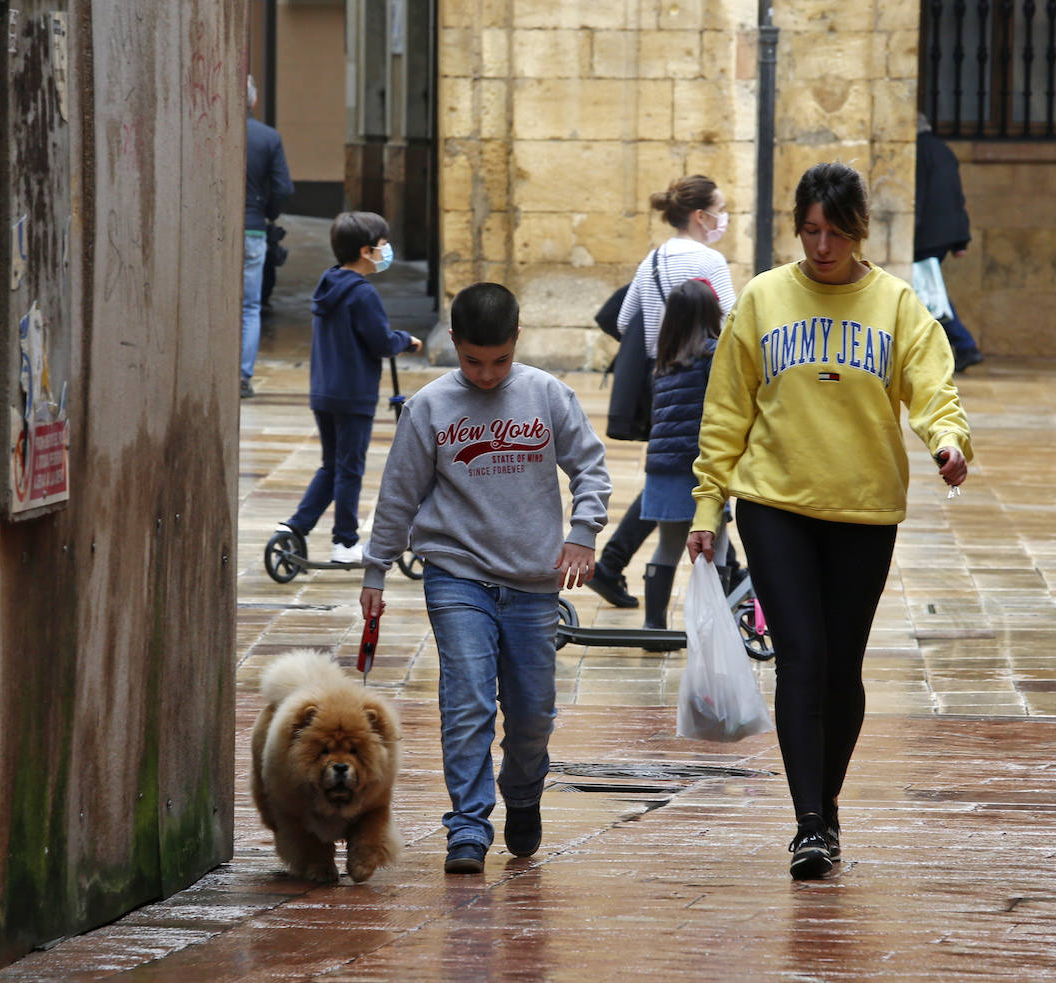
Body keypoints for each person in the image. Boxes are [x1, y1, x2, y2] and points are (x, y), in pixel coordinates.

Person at [686, 162, 972, 880]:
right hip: (774, 503)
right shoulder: (763, 298)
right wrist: (707, 502)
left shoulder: (898, 305)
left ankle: (828, 798)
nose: (822, 246)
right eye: (811, 231)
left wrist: (947, 442)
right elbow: (727, 408)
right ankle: (808, 823)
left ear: (859, 230)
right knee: (802, 660)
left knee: (842, 669)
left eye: (836, 232)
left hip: (864, 508)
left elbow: (933, 386)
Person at [359, 282, 611, 874]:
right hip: (457, 575)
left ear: (516, 341)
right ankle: (467, 827)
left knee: (532, 713)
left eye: (499, 360)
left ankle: (522, 793)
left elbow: (591, 468)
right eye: (473, 361)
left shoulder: (548, 395)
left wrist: (584, 533)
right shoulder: (428, 407)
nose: (487, 374)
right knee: (467, 700)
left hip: (533, 581)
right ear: (455, 344)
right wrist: (375, 568)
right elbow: (399, 494)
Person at [589, 175, 736, 610]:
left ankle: (614, 562)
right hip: (703, 382)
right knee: (696, 476)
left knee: (670, 474)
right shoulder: (710, 261)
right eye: (721, 209)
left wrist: (662, 344)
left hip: (662, 381)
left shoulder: (652, 260)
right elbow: (731, 327)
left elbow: (623, 322)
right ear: (700, 215)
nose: (724, 218)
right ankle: (728, 586)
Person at [279, 212, 422, 564]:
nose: (388, 250)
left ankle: (296, 527)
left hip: (324, 392)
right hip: (354, 394)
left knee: (332, 465)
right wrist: (406, 340)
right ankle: (344, 542)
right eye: (384, 244)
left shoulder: (328, 283)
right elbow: (380, 342)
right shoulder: (362, 294)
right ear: (366, 250)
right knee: (350, 468)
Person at [637, 278, 729, 643]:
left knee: (668, 546)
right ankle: (712, 631)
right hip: (697, 468)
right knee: (715, 546)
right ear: (710, 313)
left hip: (662, 469)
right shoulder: (713, 354)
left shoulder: (663, 363)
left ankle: (653, 627)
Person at [915, 113, 983, 372]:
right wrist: (960, 239)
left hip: (926, 235)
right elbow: (956, 196)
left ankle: (964, 344)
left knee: (927, 293)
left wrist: (912, 231)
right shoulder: (944, 150)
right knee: (928, 290)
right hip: (945, 234)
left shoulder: (919, 151)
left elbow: (918, 193)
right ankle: (961, 345)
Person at [242, 76, 294, 398]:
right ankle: (243, 377)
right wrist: (268, 214)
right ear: (254, 101)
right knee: (249, 307)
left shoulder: (209, 131)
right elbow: (283, 188)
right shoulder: (267, 137)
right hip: (252, 228)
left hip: (214, 232)